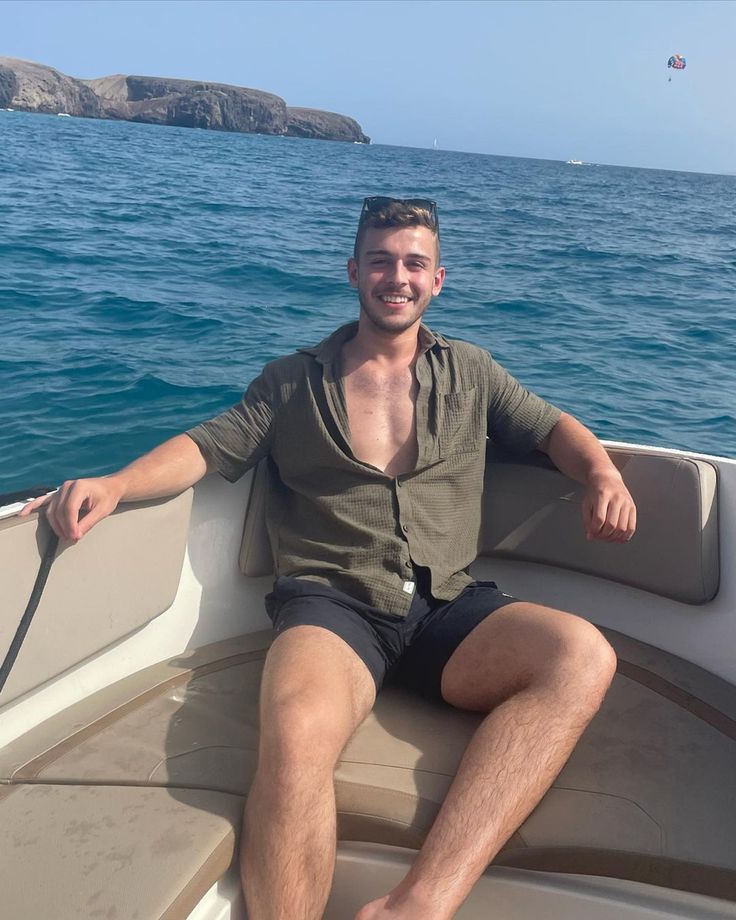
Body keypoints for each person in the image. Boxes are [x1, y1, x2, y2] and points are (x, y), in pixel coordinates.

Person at [22, 197, 636, 920]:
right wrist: (116, 482)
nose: (396, 277)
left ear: (439, 279)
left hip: (447, 605)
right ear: (353, 271)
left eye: (413, 263)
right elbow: (206, 445)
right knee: (297, 725)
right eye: (380, 260)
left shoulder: (472, 372)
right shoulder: (291, 382)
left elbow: (553, 427)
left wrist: (603, 476)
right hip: (332, 607)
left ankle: (420, 903)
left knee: (580, 656)